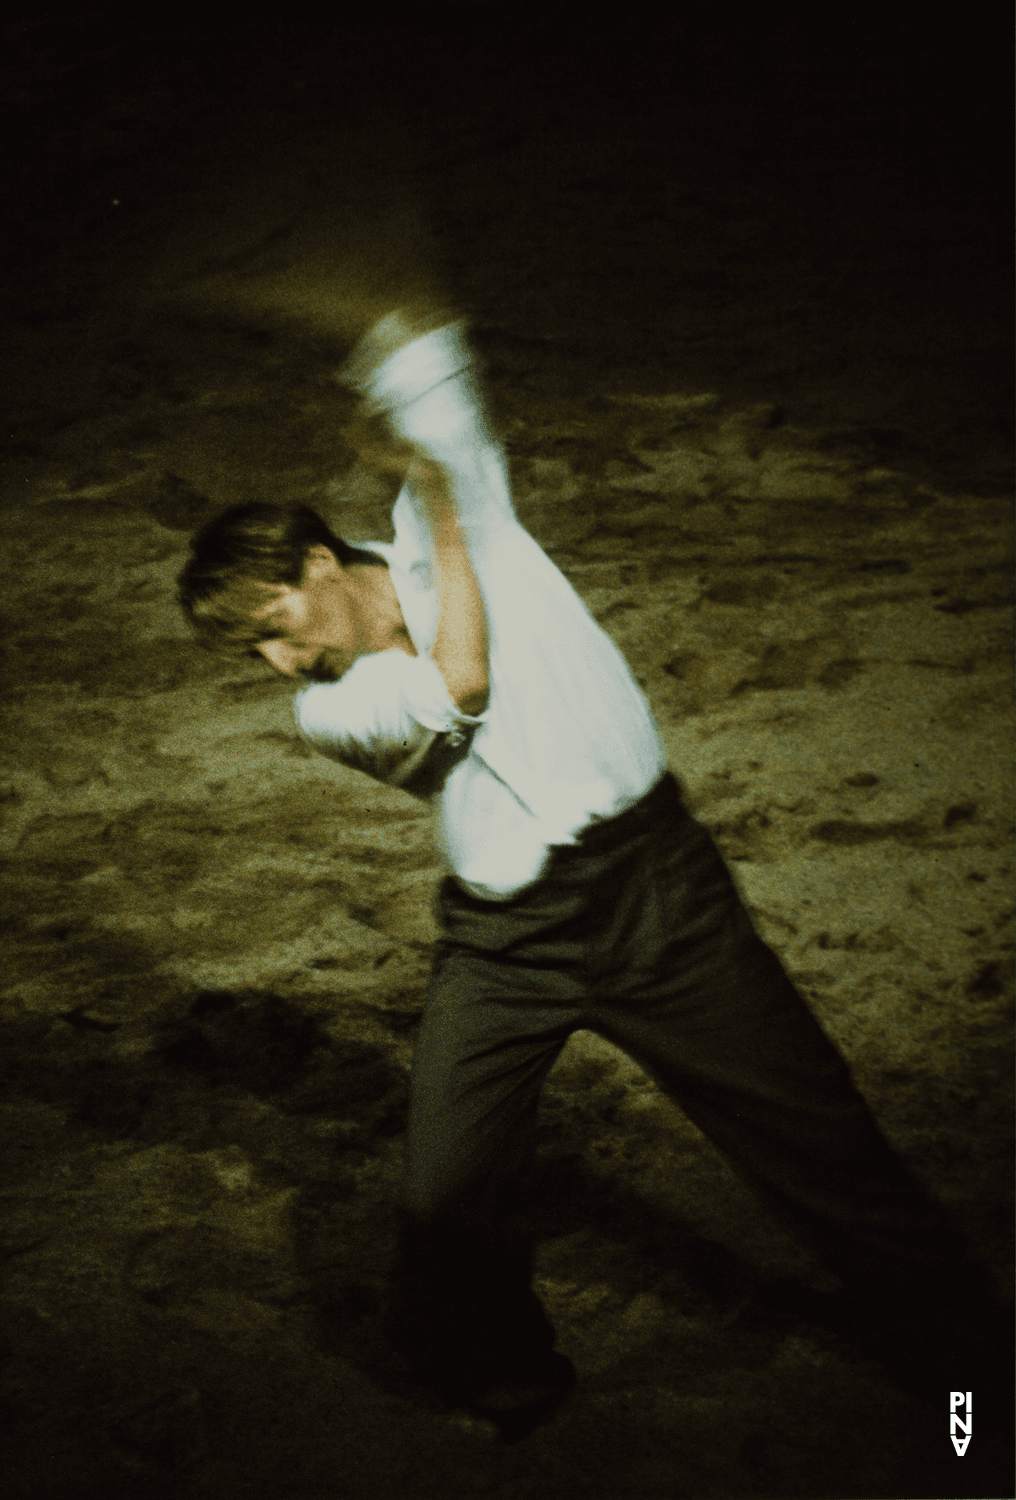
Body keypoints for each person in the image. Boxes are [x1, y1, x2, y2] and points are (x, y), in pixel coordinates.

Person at [177, 309, 1005, 1440]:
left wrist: (371, 323)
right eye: (253, 654)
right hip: (504, 944)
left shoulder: (457, 517)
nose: (279, 662)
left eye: (274, 624)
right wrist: (448, 509)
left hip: (662, 901)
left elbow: (426, 371)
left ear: (319, 563)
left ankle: (974, 1390)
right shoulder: (332, 710)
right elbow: (459, 684)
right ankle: (502, 1376)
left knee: (827, 1155)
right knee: (444, 1191)